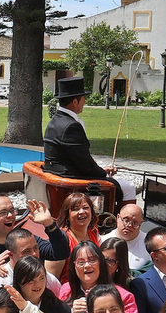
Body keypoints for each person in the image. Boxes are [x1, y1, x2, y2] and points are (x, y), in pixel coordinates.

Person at [42, 75, 136, 203]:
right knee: (129, 187)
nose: (85, 102)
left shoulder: (54, 121)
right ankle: (122, 215)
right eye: (83, 98)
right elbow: (85, 165)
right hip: (73, 182)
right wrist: (103, 174)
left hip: (62, 176)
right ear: (75, 102)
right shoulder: (71, 126)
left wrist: (101, 169)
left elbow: (78, 159)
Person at [57, 241, 142, 313]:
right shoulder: (66, 290)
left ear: (101, 263)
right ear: (73, 266)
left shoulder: (123, 296)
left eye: (92, 260)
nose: (87, 265)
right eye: (81, 262)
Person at [0, 194, 68, 266]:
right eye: (3, 212)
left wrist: (49, 224)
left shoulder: (28, 241)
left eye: (12, 210)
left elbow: (62, 253)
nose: (10, 215)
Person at [46, 194, 101, 281]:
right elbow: (51, 280)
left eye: (85, 208)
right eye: (76, 209)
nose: (82, 212)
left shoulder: (94, 232)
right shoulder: (61, 240)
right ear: (67, 215)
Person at [104, 202, 150, 275]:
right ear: (118, 217)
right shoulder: (103, 241)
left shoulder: (150, 243)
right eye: (126, 220)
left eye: (135, 222)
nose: (129, 225)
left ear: (141, 223)